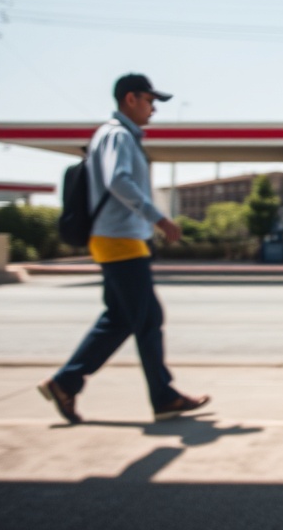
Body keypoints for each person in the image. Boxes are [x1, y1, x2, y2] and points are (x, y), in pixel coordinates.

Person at [38, 73, 210, 424]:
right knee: (147, 318)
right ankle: (163, 398)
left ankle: (65, 383)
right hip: (119, 239)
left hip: (118, 238)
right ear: (130, 99)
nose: (154, 109)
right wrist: (158, 218)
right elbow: (119, 180)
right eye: (150, 101)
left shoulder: (115, 136)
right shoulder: (117, 135)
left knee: (120, 319)